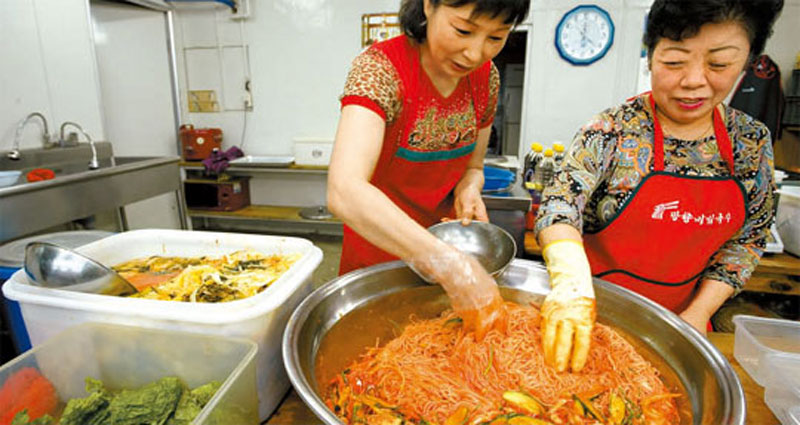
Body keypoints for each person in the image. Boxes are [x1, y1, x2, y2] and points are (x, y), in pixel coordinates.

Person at [535, 0, 784, 373]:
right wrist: (571, 287)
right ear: (650, 57)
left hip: (680, 327)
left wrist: (698, 314)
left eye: (718, 64)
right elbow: (559, 204)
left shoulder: (751, 141)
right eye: (674, 62)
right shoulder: (612, 130)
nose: (693, 81)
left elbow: (748, 239)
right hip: (589, 318)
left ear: (747, 61)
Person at [327, 0, 529, 339]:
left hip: (449, 258)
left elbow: (474, 165)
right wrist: (451, 266)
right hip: (381, 260)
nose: (475, 54)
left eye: (496, 37)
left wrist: (469, 187)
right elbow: (344, 189)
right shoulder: (379, 71)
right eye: (463, 30)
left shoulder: (485, 79)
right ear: (428, 5)